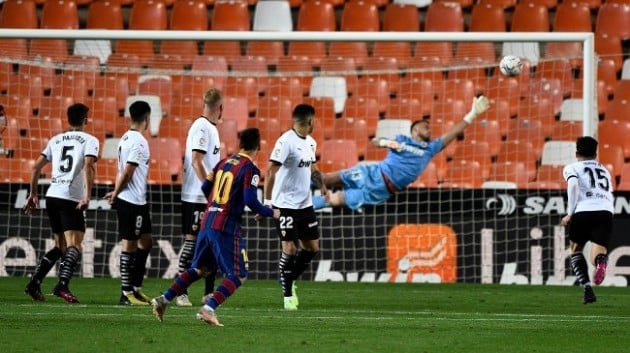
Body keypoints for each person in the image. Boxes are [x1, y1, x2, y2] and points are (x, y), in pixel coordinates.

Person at [151, 128, 280, 326]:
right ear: (258, 146)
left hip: (207, 221)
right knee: (238, 274)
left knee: (200, 269)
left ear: (240, 144)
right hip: (226, 226)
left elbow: (205, 187)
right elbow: (250, 200)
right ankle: (208, 308)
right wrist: (271, 212)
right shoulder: (250, 169)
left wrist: (217, 204)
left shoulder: (223, 163)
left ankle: (164, 299)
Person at [312, 96, 490, 211]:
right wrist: (385, 142)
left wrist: (472, 114)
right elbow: (374, 141)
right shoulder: (401, 139)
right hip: (373, 172)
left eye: (429, 127)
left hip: (383, 190)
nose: (428, 128)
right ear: (414, 130)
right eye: (424, 126)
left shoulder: (431, 148)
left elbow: (451, 133)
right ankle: (291, 183)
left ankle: (294, 209)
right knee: (326, 179)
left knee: (333, 200)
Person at [23, 103, 99, 303]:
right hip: (70, 198)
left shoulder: (56, 140)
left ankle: (34, 283)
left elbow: (35, 167)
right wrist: (87, 196)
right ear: (86, 119)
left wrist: (33, 194)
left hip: (52, 196)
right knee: (75, 246)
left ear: (68, 119)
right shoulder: (90, 140)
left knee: (60, 246)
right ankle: (61, 286)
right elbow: (89, 166)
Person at [263, 104, 327, 310]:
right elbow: (271, 172)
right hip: (285, 205)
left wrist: (322, 185)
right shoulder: (285, 141)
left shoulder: (311, 142)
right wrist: (267, 203)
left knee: (312, 248)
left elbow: (313, 166)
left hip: (305, 204)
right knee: (290, 249)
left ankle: (288, 279)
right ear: (310, 121)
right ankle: (288, 295)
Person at [104, 101, 154, 306]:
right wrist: (116, 193)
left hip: (137, 200)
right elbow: (128, 171)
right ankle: (126, 293)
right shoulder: (139, 141)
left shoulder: (125, 137)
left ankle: (135, 287)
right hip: (130, 200)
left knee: (146, 241)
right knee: (130, 244)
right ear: (147, 118)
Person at [176, 88, 223, 307]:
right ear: (220, 108)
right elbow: (196, 161)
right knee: (192, 242)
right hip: (196, 196)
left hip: (206, 197)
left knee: (212, 242)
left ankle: (209, 292)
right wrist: (209, 190)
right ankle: (180, 291)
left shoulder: (211, 128)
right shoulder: (202, 127)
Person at [561, 136, 614, 304]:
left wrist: (570, 213)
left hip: (584, 211)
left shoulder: (572, 167)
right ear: (595, 154)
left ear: (576, 153)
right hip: (605, 211)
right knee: (596, 256)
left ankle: (587, 289)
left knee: (575, 250)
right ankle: (601, 262)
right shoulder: (604, 170)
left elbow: (574, 185)